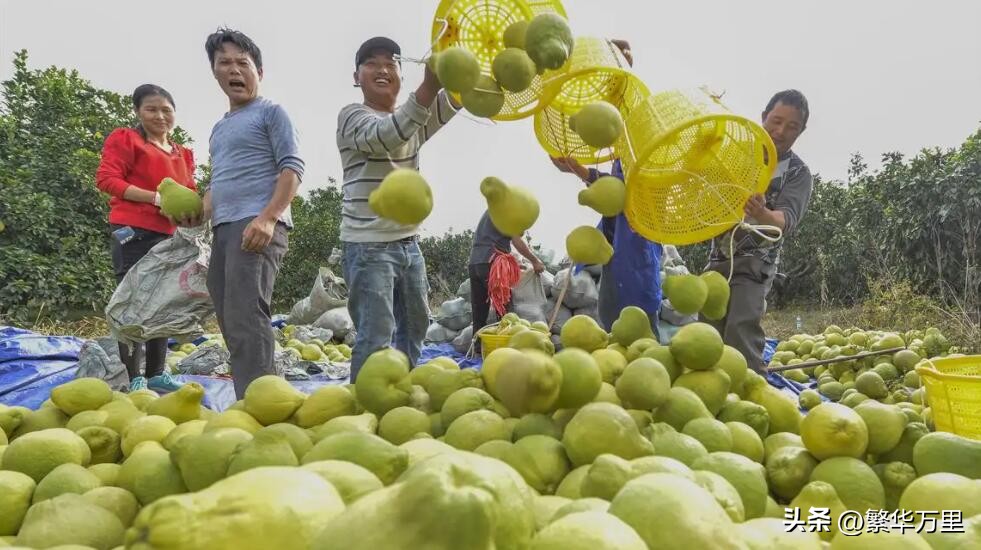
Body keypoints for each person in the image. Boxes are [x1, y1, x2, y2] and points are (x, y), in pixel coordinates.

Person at [337, 37, 460, 381]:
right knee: (376, 333)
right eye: (372, 63)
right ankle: (367, 398)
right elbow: (386, 136)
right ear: (356, 76)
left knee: (416, 325)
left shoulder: (412, 119)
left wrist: (471, 59)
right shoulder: (352, 117)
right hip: (368, 245)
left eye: (391, 63)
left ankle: (400, 389)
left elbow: (461, 95)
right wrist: (429, 86)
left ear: (400, 75)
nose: (382, 69)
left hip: (409, 243)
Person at [202, 28, 305, 398]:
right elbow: (219, 180)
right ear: (214, 72)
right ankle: (263, 391)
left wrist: (269, 217)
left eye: (242, 63)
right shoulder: (219, 128)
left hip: (258, 224)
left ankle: (260, 404)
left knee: (247, 314)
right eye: (224, 63)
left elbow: (292, 169)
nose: (234, 70)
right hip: (224, 228)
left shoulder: (272, 112)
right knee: (230, 316)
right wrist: (202, 206)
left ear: (259, 70)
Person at [550, 39, 663, 334]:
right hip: (616, 247)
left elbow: (640, 188)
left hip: (638, 246)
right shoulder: (618, 143)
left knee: (639, 329)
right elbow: (614, 189)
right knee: (612, 324)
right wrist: (576, 168)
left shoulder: (642, 131)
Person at [96, 84, 196, 393]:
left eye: (167, 109)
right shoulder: (126, 140)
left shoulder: (183, 154)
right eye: (151, 109)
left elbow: (189, 192)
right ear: (138, 112)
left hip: (171, 237)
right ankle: (133, 377)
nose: (160, 115)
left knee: (162, 304)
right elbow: (107, 179)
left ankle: (155, 373)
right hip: (134, 233)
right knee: (134, 305)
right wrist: (156, 198)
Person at [703, 89, 813, 373]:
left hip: (755, 266)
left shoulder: (798, 173)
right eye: (776, 121)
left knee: (740, 331)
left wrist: (761, 213)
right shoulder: (737, 155)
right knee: (705, 334)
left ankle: (748, 392)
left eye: (792, 127)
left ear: (801, 131)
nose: (780, 131)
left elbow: (785, 219)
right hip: (717, 260)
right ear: (763, 117)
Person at [468, 211, 546, 336]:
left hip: (475, 262)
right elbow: (516, 240)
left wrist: (514, 264)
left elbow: (496, 239)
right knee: (504, 311)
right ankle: (504, 346)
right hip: (492, 264)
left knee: (479, 311)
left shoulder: (493, 210)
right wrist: (535, 261)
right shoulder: (507, 209)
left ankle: (477, 348)